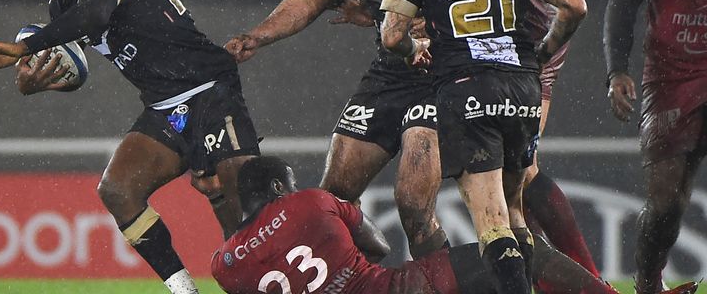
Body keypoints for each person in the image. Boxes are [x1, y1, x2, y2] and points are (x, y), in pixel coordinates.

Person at [0, 0, 260, 294]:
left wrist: (22, 47)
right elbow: (73, 71)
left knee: (240, 214)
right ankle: (186, 290)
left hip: (208, 87)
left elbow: (96, 15)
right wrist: (35, 83)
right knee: (118, 189)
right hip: (165, 105)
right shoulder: (62, 6)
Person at [380, 0, 587, 292]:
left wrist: (414, 50)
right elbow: (574, 5)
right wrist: (541, 52)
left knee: (491, 226)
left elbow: (391, 33)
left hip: (466, 89)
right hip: (521, 86)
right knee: (514, 216)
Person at [225, 0, 448, 258]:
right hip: (389, 77)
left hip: (441, 79)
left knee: (413, 205)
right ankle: (358, 281)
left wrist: (437, 27)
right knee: (333, 201)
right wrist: (257, 35)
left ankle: (441, 283)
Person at [211, 156, 649, 294]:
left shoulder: (223, 266)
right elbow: (379, 246)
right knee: (515, 248)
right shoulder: (309, 202)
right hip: (397, 289)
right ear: (276, 186)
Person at [604, 0, 707, 293]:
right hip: (671, 78)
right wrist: (617, 70)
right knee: (666, 202)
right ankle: (648, 284)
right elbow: (621, 5)